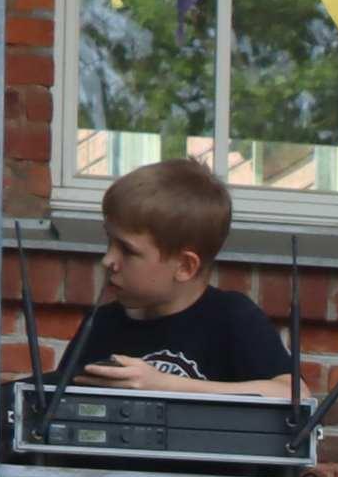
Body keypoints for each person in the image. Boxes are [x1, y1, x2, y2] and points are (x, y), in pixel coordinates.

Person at [54, 159, 295, 400]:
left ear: (185, 266)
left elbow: (294, 395)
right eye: (110, 241)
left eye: (127, 250)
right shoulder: (102, 323)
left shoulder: (231, 317)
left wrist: (166, 385)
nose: (108, 260)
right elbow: (56, 403)